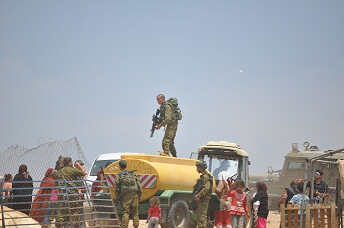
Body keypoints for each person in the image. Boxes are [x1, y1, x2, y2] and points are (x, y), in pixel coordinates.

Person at [55, 157, 86, 228]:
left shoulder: (58, 172)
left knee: (63, 214)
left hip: (62, 196)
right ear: (70, 162)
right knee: (74, 213)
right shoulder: (72, 170)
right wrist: (79, 165)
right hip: (72, 195)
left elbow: (56, 182)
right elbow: (84, 173)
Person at [114, 160, 142, 228]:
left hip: (125, 196)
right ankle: (136, 226)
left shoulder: (119, 175)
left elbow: (116, 187)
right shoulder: (132, 174)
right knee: (135, 212)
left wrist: (118, 197)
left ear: (120, 167)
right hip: (134, 194)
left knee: (126, 212)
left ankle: (124, 226)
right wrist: (139, 194)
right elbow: (139, 185)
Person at [193, 161, 212, 228]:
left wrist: (199, 195)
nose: (197, 169)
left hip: (203, 199)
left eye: (198, 168)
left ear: (201, 168)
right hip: (202, 199)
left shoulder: (205, 177)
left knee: (201, 217)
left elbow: (207, 188)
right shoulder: (203, 177)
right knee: (200, 216)